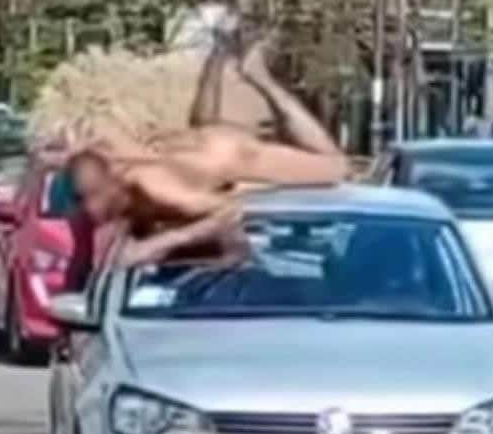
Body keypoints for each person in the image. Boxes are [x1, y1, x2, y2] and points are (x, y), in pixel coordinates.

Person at [64, 35, 350, 290]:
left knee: (337, 167)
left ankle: (259, 76)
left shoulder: (153, 187)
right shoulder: (118, 174)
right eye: (84, 199)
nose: (91, 208)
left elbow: (227, 211)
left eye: (96, 197)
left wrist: (172, 245)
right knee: (203, 125)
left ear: (112, 184)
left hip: (232, 155)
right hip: (198, 149)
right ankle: (218, 54)